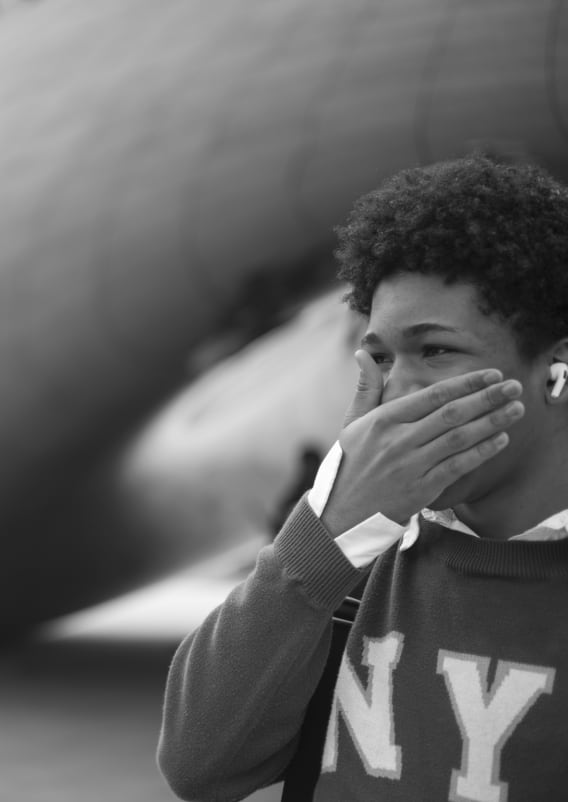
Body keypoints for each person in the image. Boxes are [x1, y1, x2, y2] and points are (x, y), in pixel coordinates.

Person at [159, 152, 568, 801]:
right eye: (380, 356)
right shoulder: (351, 559)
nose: (396, 393)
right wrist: (326, 535)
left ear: (556, 370)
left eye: (436, 351)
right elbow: (200, 765)